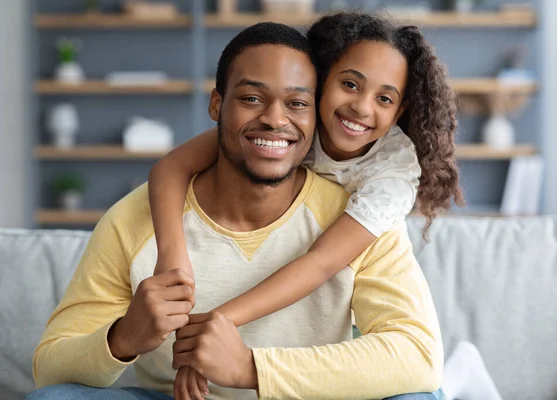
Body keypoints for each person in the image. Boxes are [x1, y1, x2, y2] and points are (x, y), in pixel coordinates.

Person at [27, 21, 443, 400]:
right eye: (251, 98)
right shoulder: (133, 220)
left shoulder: (367, 209)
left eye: (296, 103)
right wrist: (123, 337)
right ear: (216, 106)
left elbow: (419, 357)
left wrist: (251, 367)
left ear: (311, 109)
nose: (274, 119)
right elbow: (49, 368)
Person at [149, 12, 461, 397]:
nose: (362, 108)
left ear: (399, 112)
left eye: (384, 98)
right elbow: (171, 168)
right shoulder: (287, 123)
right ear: (320, 82)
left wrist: (214, 325)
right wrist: (173, 261)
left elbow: (322, 262)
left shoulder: (392, 174)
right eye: (349, 84)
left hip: (348, 314)